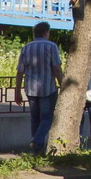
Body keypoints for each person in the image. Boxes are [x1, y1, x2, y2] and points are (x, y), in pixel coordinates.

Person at [15, 20, 64, 153]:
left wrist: (17, 92)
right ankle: (37, 141)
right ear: (46, 32)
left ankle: (36, 149)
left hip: (30, 89)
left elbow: (20, 72)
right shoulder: (51, 46)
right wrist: (63, 85)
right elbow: (57, 69)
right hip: (48, 88)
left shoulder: (26, 48)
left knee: (35, 118)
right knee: (47, 118)